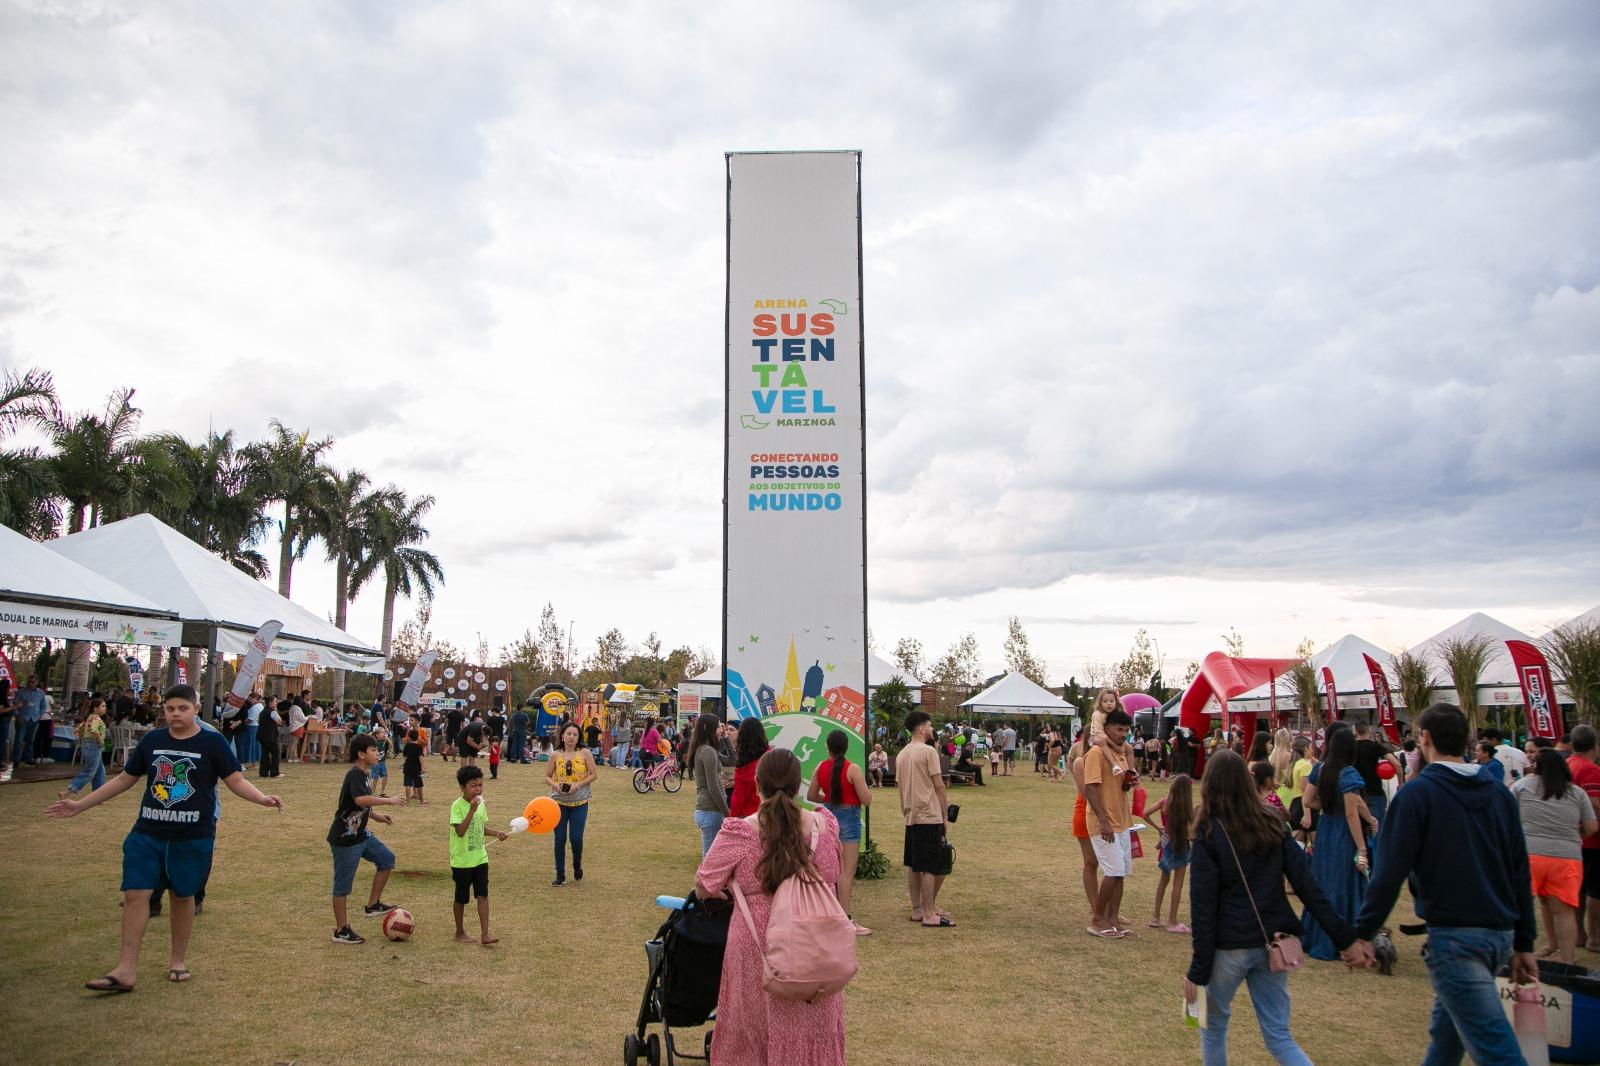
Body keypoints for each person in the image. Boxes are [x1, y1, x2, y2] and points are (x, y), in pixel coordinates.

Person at [44, 684, 283, 989]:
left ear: (196, 709)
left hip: (192, 835)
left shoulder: (213, 743)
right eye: (169, 709)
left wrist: (261, 798)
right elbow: (124, 779)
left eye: (182, 708)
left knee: (182, 896)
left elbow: (234, 779)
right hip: (148, 833)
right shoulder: (153, 741)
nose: (175, 714)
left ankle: (177, 960)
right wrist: (79, 805)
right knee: (135, 894)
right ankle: (126, 969)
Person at [1353, 703, 1538, 1064]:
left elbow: (1388, 874)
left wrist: (1363, 933)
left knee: (1497, 1050)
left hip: (1457, 939)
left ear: (1425, 738)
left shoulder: (1418, 795)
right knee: (1446, 1041)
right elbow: (1519, 870)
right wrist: (1524, 940)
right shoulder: (1499, 794)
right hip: (1497, 934)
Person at [1186, 751, 1368, 1066]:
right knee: (1279, 1036)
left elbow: (1203, 907)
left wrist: (1197, 970)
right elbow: (1309, 888)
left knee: (1213, 1029)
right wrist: (1345, 938)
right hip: (1272, 940)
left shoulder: (1209, 832)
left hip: (1230, 946)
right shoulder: (1271, 822)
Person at [695, 747, 845, 1065]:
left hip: (756, 946)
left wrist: (732, 892)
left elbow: (705, 883)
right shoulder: (824, 826)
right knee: (812, 1032)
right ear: (798, 784)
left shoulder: (741, 832)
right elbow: (833, 875)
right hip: (815, 947)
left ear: (758, 784)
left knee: (752, 1034)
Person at [1512, 748, 1597, 963]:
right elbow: (1591, 826)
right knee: (1564, 911)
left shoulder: (1522, 786)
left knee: (1524, 906)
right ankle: (1566, 958)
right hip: (1566, 857)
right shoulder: (1576, 793)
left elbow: (1507, 816)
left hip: (1530, 855)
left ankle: (1519, 953)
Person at [1299, 727, 1376, 960]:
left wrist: (1327, 806)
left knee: (1323, 883)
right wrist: (1362, 847)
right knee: (1344, 884)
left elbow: (1307, 800)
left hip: (1325, 830)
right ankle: (1345, 937)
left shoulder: (1320, 769)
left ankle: (1316, 934)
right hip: (1343, 833)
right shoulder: (1348, 774)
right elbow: (1352, 813)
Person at [327, 734, 405, 945]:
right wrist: (388, 801)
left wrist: (378, 817)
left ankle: (373, 905)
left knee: (386, 859)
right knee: (342, 886)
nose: (377, 753)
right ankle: (341, 930)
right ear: (361, 754)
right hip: (345, 839)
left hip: (361, 835)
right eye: (372, 750)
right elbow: (360, 799)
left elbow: (361, 806)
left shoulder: (365, 774)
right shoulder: (355, 774)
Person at [808, 728, 873, 935]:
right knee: (846, 872)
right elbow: (867, 799)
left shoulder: (820, 767)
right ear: (846, 747)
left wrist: (829, 800)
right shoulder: (852, 769)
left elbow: (811, 795)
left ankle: (829, 914)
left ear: (827, 747)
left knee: (828, 868)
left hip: (827, 818)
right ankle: (845, 918)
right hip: (849, 819)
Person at [1083, 708, 1137, 939]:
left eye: (1126, 730)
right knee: (1113, 871)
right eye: (1118, 729)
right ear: (1106, 728)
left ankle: (1113, 918)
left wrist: (1128, 782)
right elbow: (1090, 787)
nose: (1123, 734)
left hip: (1122, 820)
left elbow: (1119, 785)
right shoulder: (1096, 752)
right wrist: (1103, 821)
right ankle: (1097, 918)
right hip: (1104, 823)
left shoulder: (1122, 753)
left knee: (1121, 872)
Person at [896, 710, 952, 927]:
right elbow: (939, 785)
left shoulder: (902, 754)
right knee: (930, 865)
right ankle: (929, 914)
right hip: (929, 815)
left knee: (914, 864)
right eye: (929, 726)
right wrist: (945, 814)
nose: (931, 729)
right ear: (921, 728)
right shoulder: (928, 752)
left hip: (911, 816)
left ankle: (918, 909)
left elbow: (901, 789)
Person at [451, 764, 508, 943]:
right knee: (461, 897)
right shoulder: (457, 806)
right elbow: (460, 830)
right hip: (462, 861)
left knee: (482, 895)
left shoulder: (481, 803)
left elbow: (481, 827)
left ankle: (485, 934)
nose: (477, 789)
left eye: (480, 785)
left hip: (480, 858)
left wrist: (496, 833)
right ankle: (459, 932)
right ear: (462, 787)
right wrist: (471, 811)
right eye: (473, 786)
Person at [546, 723, 597, 886]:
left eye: (575, 734)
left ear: (579, 737)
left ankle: (577, 864)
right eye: (568, 734)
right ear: (562, 736)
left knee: (576, 838)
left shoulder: (585, 753)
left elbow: (594, 774)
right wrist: (555, 785)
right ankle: (560, 875)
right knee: (559, 838)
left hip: (580, 802)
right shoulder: (555, 755)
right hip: (558, 803)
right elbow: (547, 776)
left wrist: (578, 785)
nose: (571, 737)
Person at [1566, 725, 1600, 951]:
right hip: (1591, 838)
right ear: (1594, 747)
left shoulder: (1566, 764)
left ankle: (1579, 934)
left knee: (1578, 888)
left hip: (1570, 837)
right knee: (1595, 889)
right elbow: (1595, 805)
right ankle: (1595, 938)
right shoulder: (1591, 770)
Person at [1147, 772, 1195, 932]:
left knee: (1163, 881)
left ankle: (1155, 916)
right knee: (1178, 884)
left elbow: (1145, 813)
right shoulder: (1186, 809)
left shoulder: (1164, 803)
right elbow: (1191, 833)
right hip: (1181, 845)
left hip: (1166, 844)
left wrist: (1158, 828)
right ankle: (1172, 920)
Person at [1067, 732, 1102, 917]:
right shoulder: (1083, 760)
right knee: (1091, 862)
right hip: (1086, 811)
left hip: (1104, 814)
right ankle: (1096, 907)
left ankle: (1108, 909)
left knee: (1110, 866)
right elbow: (1086, 791)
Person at [690, 713, 732, 855]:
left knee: (710, 854)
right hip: (710, 810)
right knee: (710, 856)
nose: (721, 729)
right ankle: (704, 878)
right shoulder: (707, 751)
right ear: (708, 728)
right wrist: (727, 813)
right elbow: (713, 787)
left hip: (709, 810)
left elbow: (733, 760)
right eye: (718, 726)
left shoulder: (708, 749)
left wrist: (726, 738)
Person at [65, 696, 109, 796]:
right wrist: (100, 740)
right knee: (89, 772)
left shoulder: (90, 717)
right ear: (96, 708)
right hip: (94, 746)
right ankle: (68, 791)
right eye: (102, 706)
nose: (105, 708)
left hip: (89, 745)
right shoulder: (96, 718)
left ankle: (97, 795)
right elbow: (94, 730)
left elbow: (79, 729)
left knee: (99, 772)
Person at [730, 717, 769, 818]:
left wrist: (731, 820)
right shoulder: (770, 756)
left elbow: (738, 798)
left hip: (750, 816)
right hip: (770, 813)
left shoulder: (745, 765)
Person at [257, 699, 283, 779]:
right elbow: (279, 721)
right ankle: (274, 772)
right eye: (275, 701)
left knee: (264, 754)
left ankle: (263, 772)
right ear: (270, 703)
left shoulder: (262, 712)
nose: (276, 703)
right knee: (275, 753)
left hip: (262, 735)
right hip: (270, 736)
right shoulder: (272, 712)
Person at [402, 728, 426, 804]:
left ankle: (408, 801)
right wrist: (423, 767)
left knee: (408, 784)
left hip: (407, 767)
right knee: (419, 784)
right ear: (418, 737)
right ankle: (422, 800)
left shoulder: (407, 746)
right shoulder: (419, 747)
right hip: (417, 768)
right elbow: (420, 757)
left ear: (409, 737)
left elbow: (405, 756)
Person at [370, 726, 391, 795]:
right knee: (375, 778)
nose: (384, 733)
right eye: (382, 732)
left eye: (384, 732)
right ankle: (372, 792)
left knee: (385, 777)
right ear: (377, 735)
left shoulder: (384, 741)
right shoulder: (374, 741)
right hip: (375, 763)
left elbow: (392, 746)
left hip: (382, 762)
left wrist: (387, 739)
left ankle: (382, 791)